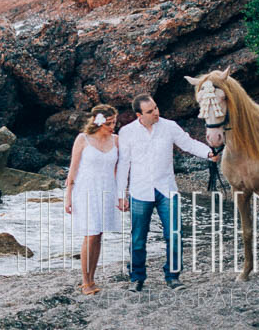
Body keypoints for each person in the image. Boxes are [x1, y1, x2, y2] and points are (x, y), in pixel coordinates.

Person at [116, 94, 219, 291]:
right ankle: (137, 278)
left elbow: (188, 144)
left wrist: (208, 153)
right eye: (150, 111)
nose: (156, 112)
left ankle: (173, 276)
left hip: (167, 189)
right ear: (139, 115)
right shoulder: (127, 133)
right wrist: (121, 194)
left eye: (155, 108)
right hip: (140, 190)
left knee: (174, 234)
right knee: (138, 237)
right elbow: (123, 164)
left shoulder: (169, 126)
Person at [64, 104, 120, 295]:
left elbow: (118, 170)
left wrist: (122, 194)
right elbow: (73, 170)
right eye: (109, 123)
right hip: (86, 190)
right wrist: (68, 198)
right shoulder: (83, 139)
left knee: (99, 234)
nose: (113, 126)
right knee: (90, 233)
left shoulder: (116, 140)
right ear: (98, 122)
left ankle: (93, 277)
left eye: (115, 122)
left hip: (107, 191)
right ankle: (86, 282)